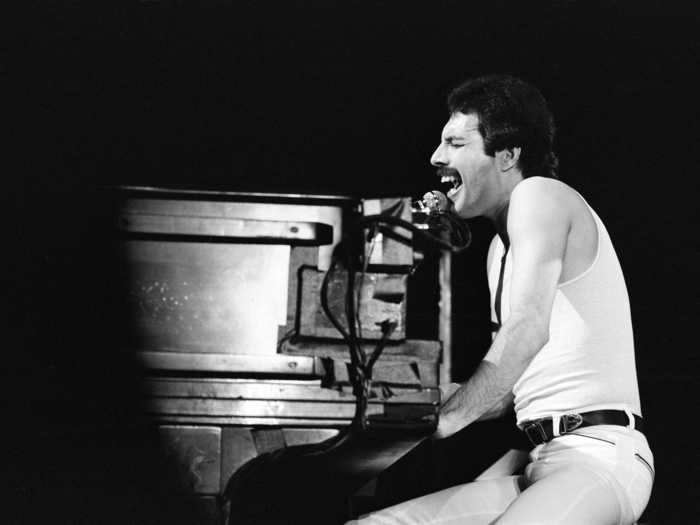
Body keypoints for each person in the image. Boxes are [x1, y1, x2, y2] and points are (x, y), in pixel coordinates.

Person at [349, 75, 654, 524]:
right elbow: (504, 393)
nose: (436, 158)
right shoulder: (499, 248)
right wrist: (413, 404)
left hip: (597, 457)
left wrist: (448, 418)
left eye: (455, 143)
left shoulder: (540, 194)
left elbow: (527, 330)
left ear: (508, 155)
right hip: (540, 460)